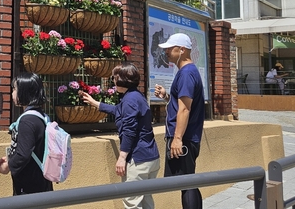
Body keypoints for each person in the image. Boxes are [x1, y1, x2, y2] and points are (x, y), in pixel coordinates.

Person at [80, 64, 160, 209]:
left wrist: (122, 158)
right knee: (146, 199)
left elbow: (129, 131)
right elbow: (118, 110)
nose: (114, 81)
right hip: (150, 157)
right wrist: (94, 103)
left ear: (123, 81)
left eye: (115, 78)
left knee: (132, 202)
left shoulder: (130, 99)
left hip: (138, 159)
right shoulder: (135, 96)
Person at [153, 33, 204, 209]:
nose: (166, 51)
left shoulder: (186, 73)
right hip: (188, 138)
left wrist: (177, 138)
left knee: (186, 183)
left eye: (170, 47)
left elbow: (184, 109)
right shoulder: (188, 72)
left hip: (184, 139)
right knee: (188, 180)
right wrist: (167, 96)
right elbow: (181, 104)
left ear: (182, 50)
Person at [0, 73, 54, 195]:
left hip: (29, 184)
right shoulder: (41, 117)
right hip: (41, 179)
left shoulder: (27, 121)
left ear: (24, 92)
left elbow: (23, 154)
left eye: (14, 89)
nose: (12, 93)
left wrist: (7, 166)